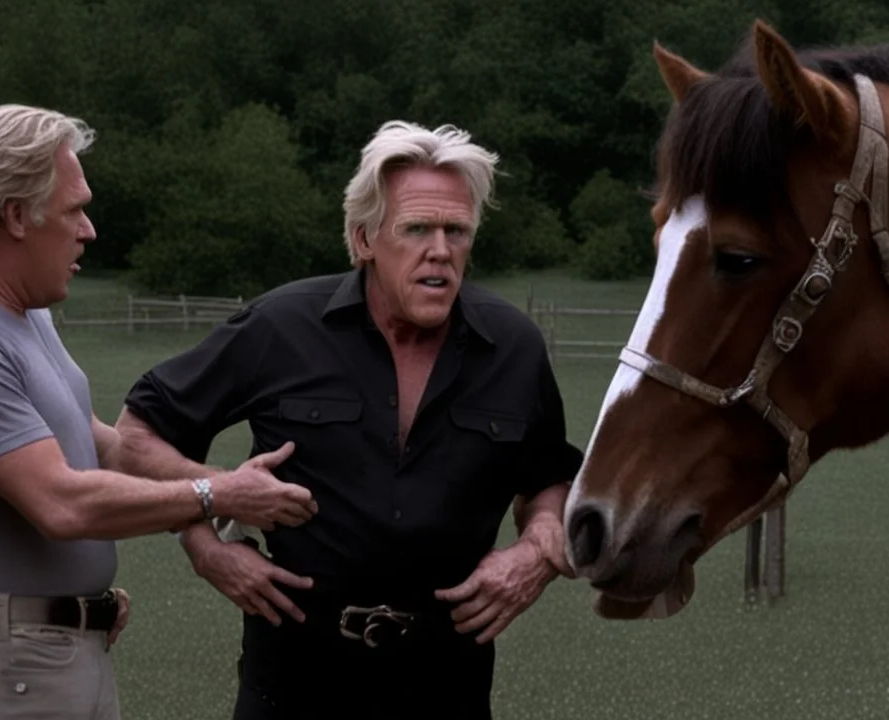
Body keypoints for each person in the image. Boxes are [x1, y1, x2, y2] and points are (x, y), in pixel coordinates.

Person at [112, 119, 583, 719]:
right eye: (416, 229)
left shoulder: (513, 347)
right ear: (364, 240)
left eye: (456, 231)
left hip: (448, 688)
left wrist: (537, 553)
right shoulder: (281, 327)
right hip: (292, 686)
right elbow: (135, 437)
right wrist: (204, 541)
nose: (440, 249)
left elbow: (549, 478)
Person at [0, 103, 319, 720]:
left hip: (44, 655)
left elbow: (99, 444)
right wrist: (219, 499)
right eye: (74, 210)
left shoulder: (20, 312)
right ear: (15, 216)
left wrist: (219, 491)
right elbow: (62, 502)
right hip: (7, 673)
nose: (89, 230)